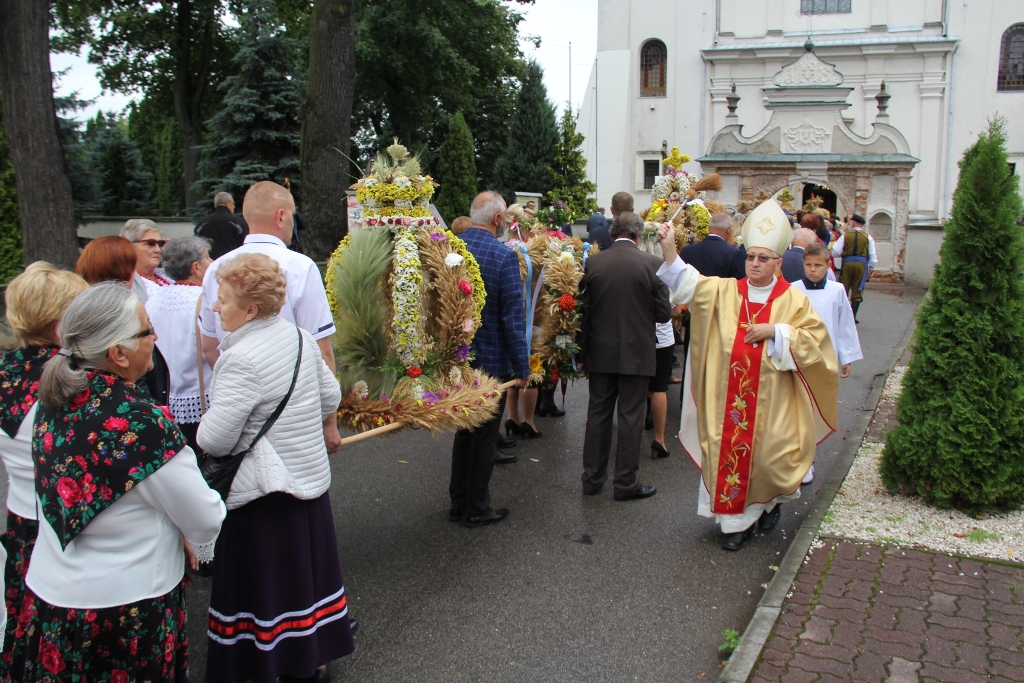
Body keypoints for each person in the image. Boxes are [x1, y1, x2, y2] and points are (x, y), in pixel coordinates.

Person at [22, 283, 225, 679]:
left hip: (50, 595)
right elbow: (204, 518)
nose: (155, 338)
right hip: (126, 606)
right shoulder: (141, 423)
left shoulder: (51, 402)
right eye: (147, 330)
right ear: (118, 353)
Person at [197, 253, 351, 683]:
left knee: (268, 592)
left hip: (263, 494)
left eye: (223, 300)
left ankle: (267, 665)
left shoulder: (241, 358)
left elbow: (214, 440)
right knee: (306, 582)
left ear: (250, 310)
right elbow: (330, 397)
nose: (215, 307)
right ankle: (311, 662)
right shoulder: (299, 338)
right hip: (307, 481)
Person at [653, 198, 839, 551]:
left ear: (779, 263)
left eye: (763, 258)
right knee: (728, 455)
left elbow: (815, 343)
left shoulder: (794, 300)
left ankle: (769, 503)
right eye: (751, 256)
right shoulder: (726, 291)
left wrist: (776, 332)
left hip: (773, 401)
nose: (755, 263)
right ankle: (735, 524)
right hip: (728, 402)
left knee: (769, 460)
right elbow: (689, 282)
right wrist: (668, 247)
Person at [199, 180, 342, 453]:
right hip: (293, 417)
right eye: (293, 216)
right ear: (281, 216)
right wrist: (329, 423)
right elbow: (322, 352)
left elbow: (209, 346)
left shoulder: (217, 267)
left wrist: (233, 396)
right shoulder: (301, 266)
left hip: (237, 415)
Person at [0, 263, 87, 678]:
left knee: (25, 633)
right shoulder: (75, 384)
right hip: (70, 527)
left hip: (21, 518)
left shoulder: (6, 373)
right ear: (61, 326)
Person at [578, 210, 672, 500]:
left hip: (600, 352)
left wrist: (580, 354)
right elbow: (663, 313)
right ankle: (625, 482)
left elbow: (583, 313)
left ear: (611, 232)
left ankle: (592, 479)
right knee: (631, 417)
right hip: (637, 352)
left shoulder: (593, 263)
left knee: (598, 414)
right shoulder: (653, 264)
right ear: (638, 234)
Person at [449, 192, 530, 528]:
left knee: (464, 432)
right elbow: (512, 317)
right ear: (498, 219)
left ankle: (458, 502)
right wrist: (522, 367)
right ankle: (477, 507)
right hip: (492, 360)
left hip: (457, 360)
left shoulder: (451, 250)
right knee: (483, 438)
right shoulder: (503, 256)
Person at [791, 242, 863, 485]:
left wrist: (847, 357)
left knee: (816, 410)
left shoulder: (836, 290)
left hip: (825, 359)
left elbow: (845, 324)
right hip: (799, 358)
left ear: (827, 265)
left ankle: (808, 458)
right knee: (797, 410)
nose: (813, 270)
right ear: (803, 265)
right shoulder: (793, 289)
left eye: (818, 265)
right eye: (808, 265)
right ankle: (796, 458)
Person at [76, 236, 172, 403]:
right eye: (133, 268)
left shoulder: (84, 310)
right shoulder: (119, 314)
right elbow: (136, 376)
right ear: (122, 271)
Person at [145, 237, 214, 454]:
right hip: (201, 399)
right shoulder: (205, 301)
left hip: (163, 399)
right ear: (196, 267)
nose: (212, 262)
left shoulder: (153, 300)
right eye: (208, 258)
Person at [502, 204, 541, 446]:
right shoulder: (529, 251)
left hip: (508, 316)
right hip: (528, 317)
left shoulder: (503, 248)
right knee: (531, 366)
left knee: (511, 367)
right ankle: (528, 420)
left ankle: (512, 418)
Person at [832, 213, 877, 323]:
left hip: (847, 263)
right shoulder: (868, 237)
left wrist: (844, 254)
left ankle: (842, 315)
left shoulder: (845, 236)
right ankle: (853, 316)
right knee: (857, 290)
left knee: (844, 288)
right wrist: (871, 268)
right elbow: (872, 255)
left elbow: (835, 252)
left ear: (854, 223)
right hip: (861, 265)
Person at [680, 211, 746, 279]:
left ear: (709, 228)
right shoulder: (734, 254)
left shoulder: (687, 251)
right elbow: (740, 281)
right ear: (728, 230)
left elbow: (679, 278)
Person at [121, 218, 173, 301]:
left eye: (160, 243)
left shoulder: (166, 274)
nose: (158, 250)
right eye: (150, 243)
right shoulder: (125, 282)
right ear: (130, 246)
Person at [195, 191, 249, 259]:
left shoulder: (203, 223)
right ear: (227, 204)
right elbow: (245, 242)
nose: (234, 206)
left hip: (211, 262)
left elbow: (196, 243)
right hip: (232, 261)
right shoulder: (237, 222)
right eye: (233, 203)